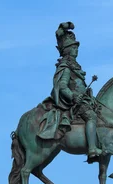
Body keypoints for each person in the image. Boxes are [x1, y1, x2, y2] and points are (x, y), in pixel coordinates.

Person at [40, 21, 102, 161]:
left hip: (83, 99)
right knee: (91, 116)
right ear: (67, 50)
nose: (76, 50)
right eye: (74, 48)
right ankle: (92, 149)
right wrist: (73, 96)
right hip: (73, 102)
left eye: (76, 48)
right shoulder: (66, 67)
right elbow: (62, 86)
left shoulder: (75, 66)